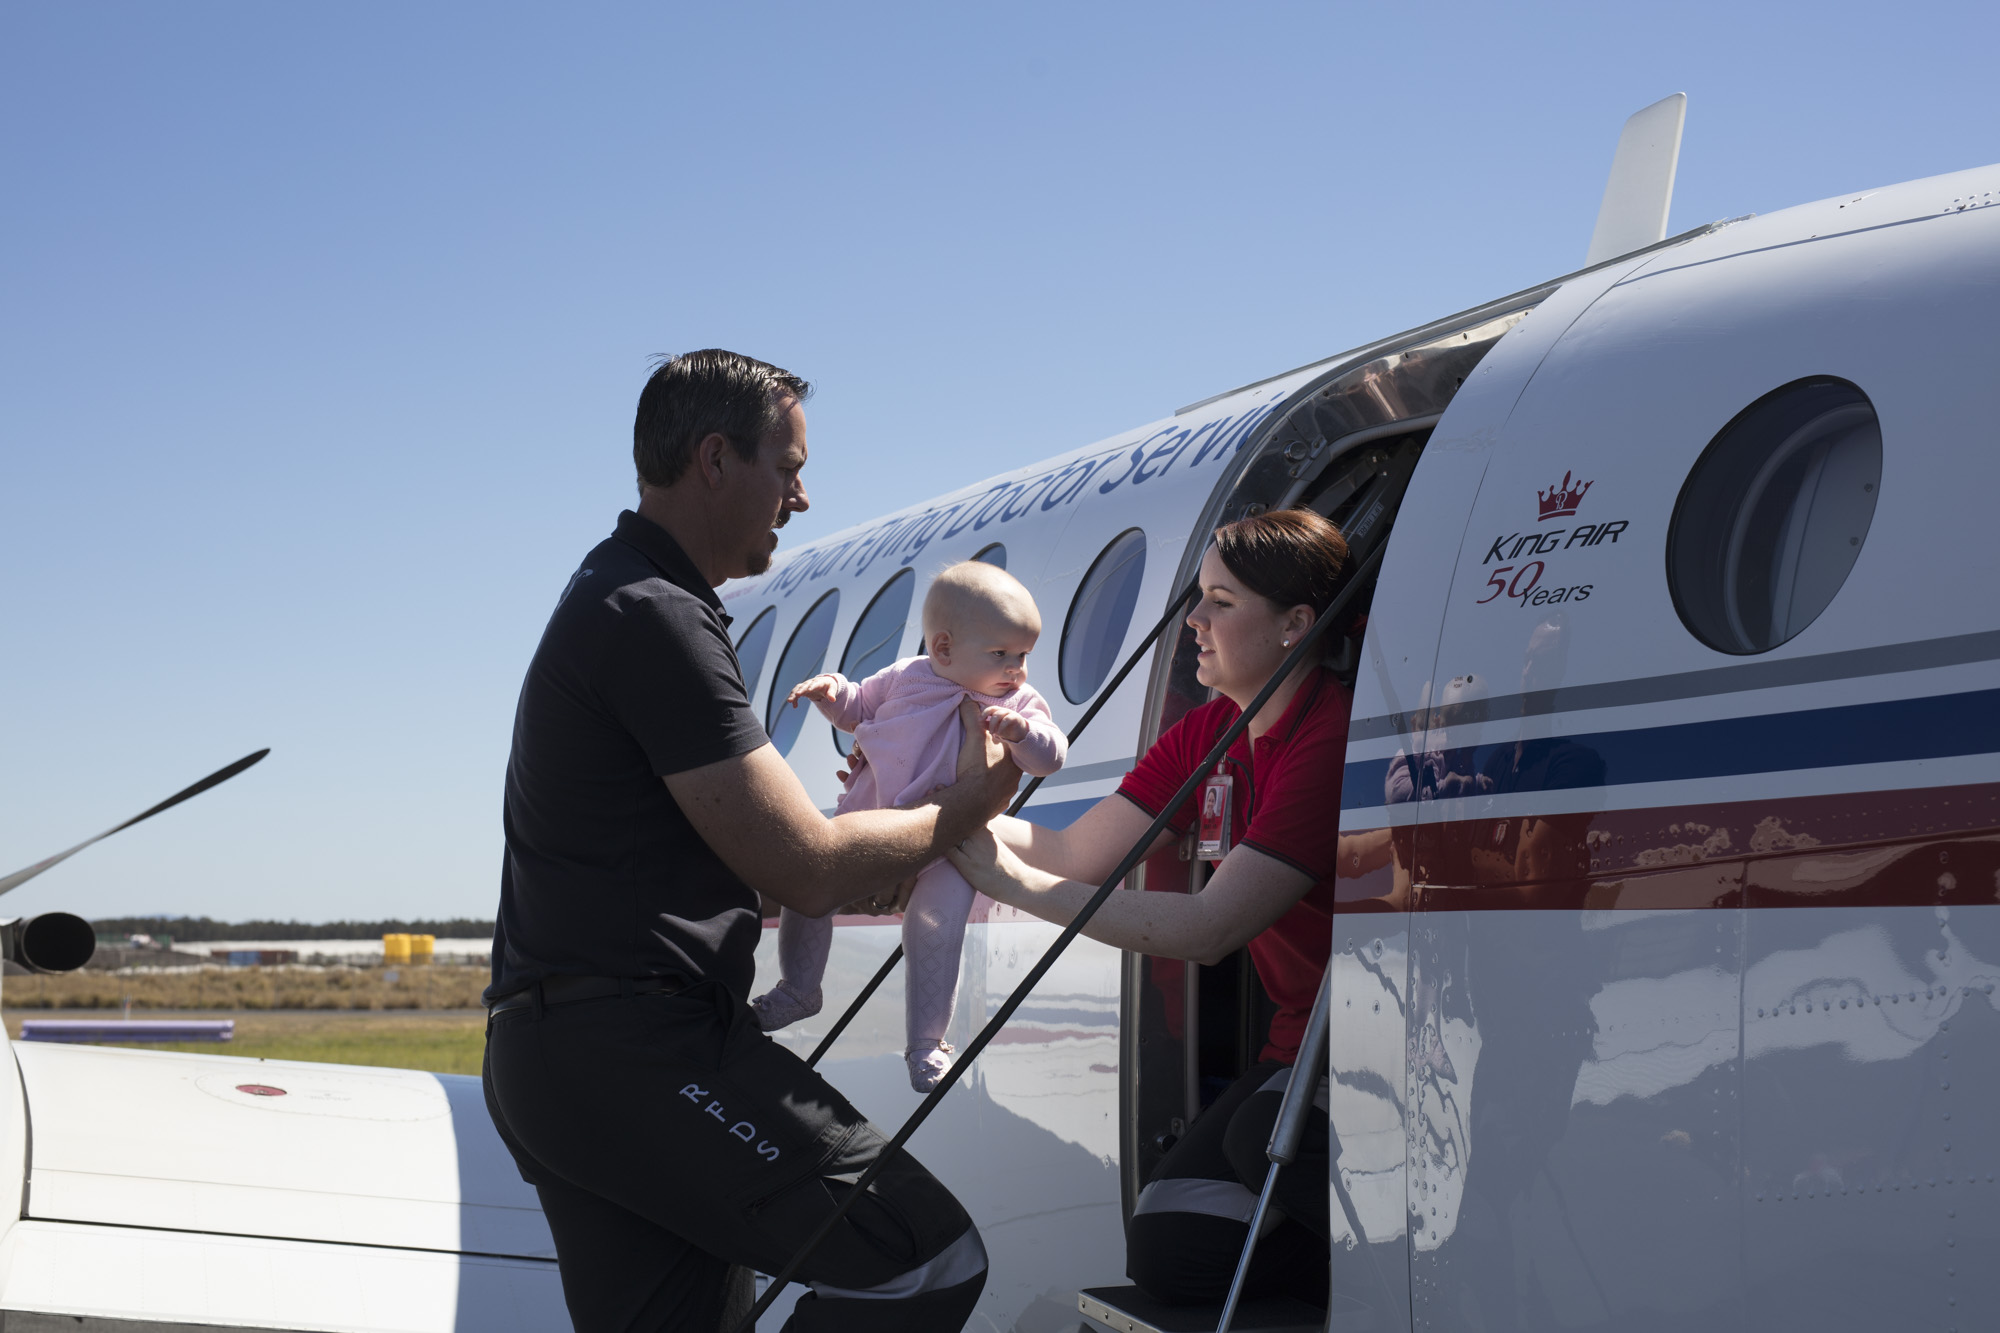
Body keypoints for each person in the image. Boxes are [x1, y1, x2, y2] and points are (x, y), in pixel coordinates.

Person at [481, 349, 1020, 1333]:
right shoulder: (654, 616)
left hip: (562, 1054)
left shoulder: (617, 594)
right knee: (921, 1257)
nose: (801, 495)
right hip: (634, 1049)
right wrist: (975, 798)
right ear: (715, 460)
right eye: (787, 465)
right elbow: (806, 866)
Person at [947, 507, 1387, 1307]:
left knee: (1267, 1140)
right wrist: (931, 817)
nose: (1194, 620)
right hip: (1295, 1048)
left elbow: (1211, 928)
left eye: (1221, 601)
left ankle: (1409, 1282)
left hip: (1369, 1048)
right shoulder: (1210, 731)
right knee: (1171, 1238)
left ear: (1295, 623)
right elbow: (1078, 853)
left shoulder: (1331, 735)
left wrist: (1007, 885)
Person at [753, 560, 1067, 1092]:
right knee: (810, 893)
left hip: (954, 846)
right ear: (943, 649)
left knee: (934, 929)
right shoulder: (904, 676)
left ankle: (926, 1042)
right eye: (1002, 654)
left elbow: (1051, 756)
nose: (1017, 668)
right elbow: (858, 707)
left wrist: (1021, 734)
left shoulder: (1016, 702)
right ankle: (800, 988)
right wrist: (832, 694)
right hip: (871, 827)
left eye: (1024, 656)